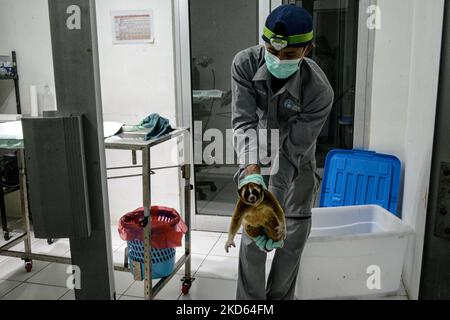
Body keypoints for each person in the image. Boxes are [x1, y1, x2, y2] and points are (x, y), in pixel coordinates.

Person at [231, 4, 334, 300]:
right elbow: (243, 123)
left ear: (308, 50)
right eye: (272, 51)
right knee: (252, 241)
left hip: (296, 167)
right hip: (256, 161)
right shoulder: (245, 64)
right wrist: (252, 178)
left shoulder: (318, 91)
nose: (278, 59)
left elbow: (292, 152)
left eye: (289, 55)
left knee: (290, 243)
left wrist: (273, 203)